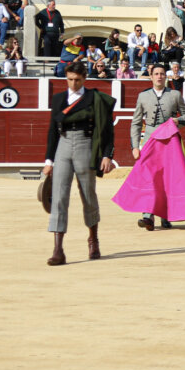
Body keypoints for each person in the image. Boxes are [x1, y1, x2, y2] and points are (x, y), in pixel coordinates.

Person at [41, 62, 116, 266]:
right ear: (66, 78)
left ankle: (93, 238)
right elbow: (52, 131)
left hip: (85, 145)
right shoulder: (58, 99)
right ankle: (58, 249)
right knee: (58, 196)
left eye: (77, 80)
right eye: (70, 79)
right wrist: (49, 160)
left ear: (85, 79)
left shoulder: (94, 98)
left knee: (88, 194)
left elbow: (108, 129)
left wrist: (107, 155)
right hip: (63, 146)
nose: (73, 83)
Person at [130, 64, 185, 229]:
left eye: (162, 74)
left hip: (169, 138)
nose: (159, 76)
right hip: (150, 138)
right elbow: (136, 123)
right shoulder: (143, 96)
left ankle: (165, 215)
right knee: (148, 178)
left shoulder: (175, 95)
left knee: (167, 179)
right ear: (151, 76)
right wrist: (135, 146)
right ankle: (147, 216)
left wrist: (178, 121)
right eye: (156, 74)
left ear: (166, 76)